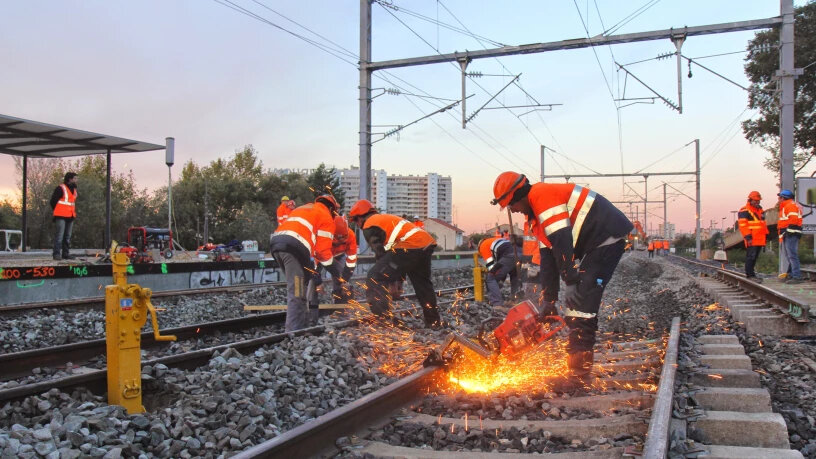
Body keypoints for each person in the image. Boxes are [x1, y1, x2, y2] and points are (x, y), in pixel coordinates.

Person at [491, 172, 633, 389]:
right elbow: (549, 257)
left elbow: (562, 240)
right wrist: (549, 300)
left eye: (511, 205)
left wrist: (571, 281)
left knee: (581, 306)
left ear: (519, 195)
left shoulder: (542, 197)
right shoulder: (536, 218)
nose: (513, 210)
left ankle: (578, 377)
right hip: (595, 244)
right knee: (576, 305)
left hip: (605, 239)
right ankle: (577, 371)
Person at [348, 199, 443, 328]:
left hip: (409, 246)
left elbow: (381, 255)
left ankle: (383, 321)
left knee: (374, 277)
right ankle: (433, 322)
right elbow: (397, 260)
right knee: (423, 284)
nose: (357, 225)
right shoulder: (384, 219)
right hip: (425, 244)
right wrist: (398, 281)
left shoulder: (369, 225)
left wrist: (392, 282)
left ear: (360, 217)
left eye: (355, 221)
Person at [269, 195, 342, 332]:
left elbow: (312, 256)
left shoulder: (305, 208)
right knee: (297, 292)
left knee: (300, 287)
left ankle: (301, 327)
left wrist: (315, 278)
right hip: (293, 248)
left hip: (277, 244)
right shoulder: (325, 216)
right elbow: (323, 253)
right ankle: (293, 332)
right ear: (331, 209)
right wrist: (338, 272)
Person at [305, 215, 358, 321]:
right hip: (320, 257)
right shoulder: (321, 237)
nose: (340, 241)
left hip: (338, 256)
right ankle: (311, 316)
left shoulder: (351, 235)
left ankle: (342, 313)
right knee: (313, 283)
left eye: (343, 239)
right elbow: (312, 265)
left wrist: (345, 280)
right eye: (338, 239)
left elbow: (351, 261)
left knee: (342, 282)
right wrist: (318, 282)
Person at [478, 236, 521, 306]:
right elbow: (502, 267)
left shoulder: (483, 246)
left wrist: (493, 282)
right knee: (514, 277)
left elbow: (491, 266)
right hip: (520, 254)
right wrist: (501, 281)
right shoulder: (495, 240)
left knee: (490, 278)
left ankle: (497, 303)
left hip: (509, 255)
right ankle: (514, 301)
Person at [738, 191, 768, 282]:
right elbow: (743, 226)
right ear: (750, 200)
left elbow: (762, 224)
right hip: (752, 238)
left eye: (758, 201)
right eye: (755, 200)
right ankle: (750, 275)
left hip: (759, 238)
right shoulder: (744, 210)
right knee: (751, 257)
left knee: (754, 257)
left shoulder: (760, 210)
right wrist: (748, 237)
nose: (757, 202)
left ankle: (752, 274)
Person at [49, 172, 78, 261]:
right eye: (75, 178)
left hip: (70, 215)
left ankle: (65, 254)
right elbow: (53, 201)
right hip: (61, 215)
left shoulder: (74, 190)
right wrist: (58, 210)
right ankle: (56, 254)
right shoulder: (61, 188)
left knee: (67, 236)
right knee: (59, 236)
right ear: (70, 179)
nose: (76, 180)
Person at [778, 189, 803, 284]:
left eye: (780, 197)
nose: (779, 199)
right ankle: (792, 274)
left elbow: (793, 220)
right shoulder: (788, 206)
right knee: (790, 255)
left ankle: (796, 276)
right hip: (789, 233)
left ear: (784, 198)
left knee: (792, 255)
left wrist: (787, 231)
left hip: (791, 234)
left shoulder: (790, 206)